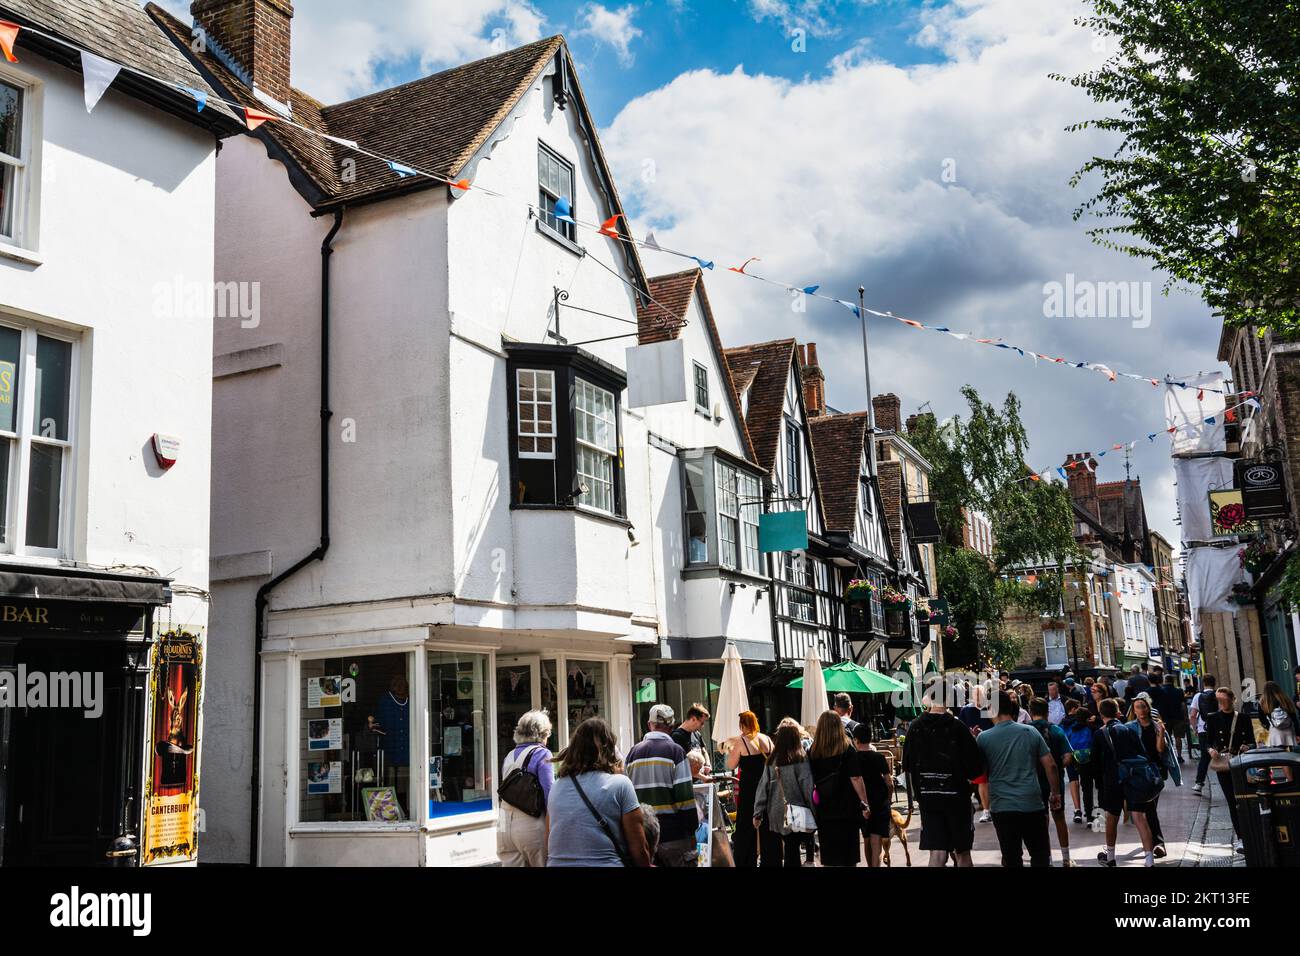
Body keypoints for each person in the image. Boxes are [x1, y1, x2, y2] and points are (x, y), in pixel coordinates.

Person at [546, 717, 651, 867]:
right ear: (609, 749)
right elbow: (639, 848)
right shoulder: (620, 784)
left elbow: (549, 841)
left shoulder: (556, 787)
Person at [977, 691, 1060, 867]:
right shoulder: (1030, 731)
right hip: (1031, 802)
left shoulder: (983, 738)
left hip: (1002, 805)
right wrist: (1055, 793)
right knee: (1039, 854)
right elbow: (1050, 765)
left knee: (1011, 856)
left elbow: (979, 772)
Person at [904, 692, 985, 867]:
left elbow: (908, 766)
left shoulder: (915, 727)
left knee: (937, 853)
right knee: (962, 852)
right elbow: (975, 769)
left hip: (928, 799)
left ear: (929, 699)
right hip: (957, 799)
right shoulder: (958, 727)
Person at [624, 704, 698, 866]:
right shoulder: (676, 752)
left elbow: (626, 798)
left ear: (650, 725)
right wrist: (692, 830)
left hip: (642, 837)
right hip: (673, 837)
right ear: (671, 727)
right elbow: (685, 800)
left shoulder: (632, 754)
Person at [1092, 698, 1157, 867]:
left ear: (1101, 714)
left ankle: (1111, 857)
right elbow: (1142, 754)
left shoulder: (1100, 733)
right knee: (1140, 818)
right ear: (1118, 712)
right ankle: (1149, 860)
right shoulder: (1129, 730)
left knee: (1111, 818)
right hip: (1133, 777)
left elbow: (1095, 761)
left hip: (1112, 780)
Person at [808, 710, 872, 867]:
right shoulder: (847, 749)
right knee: (848, 858)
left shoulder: (813, 752)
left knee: (830, 858)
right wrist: (864, 801)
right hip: (847, 809)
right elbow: (856, 778)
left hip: (824, 809)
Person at [751, 722, 816, 868]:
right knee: (794, 848)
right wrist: (814, 810)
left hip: (778, 812)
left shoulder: (771, 760)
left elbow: (763, 788)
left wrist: (758, 813)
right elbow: (808, 787)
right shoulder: (801, 758)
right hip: (799, 810)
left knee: (790, 847)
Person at [497, 710, 554, 867]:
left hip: (503, 822)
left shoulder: (509, 755)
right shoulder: (542, 753)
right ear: (542, 734)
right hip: (530, 823)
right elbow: (550, 795)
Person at [1203, 687, 1254, 848]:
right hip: (1223, 764)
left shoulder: (1243, 718)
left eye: (1225, 700)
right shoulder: (1213, 718)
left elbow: (1252, 740)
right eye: (1219, 701)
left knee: (1245, 799)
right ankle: (1241, 838)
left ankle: (1251, 832)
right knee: (1232, 801)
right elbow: (1207, 741)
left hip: (1241, 762)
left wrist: (1248, 746)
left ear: (1232, 699)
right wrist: (1210, 749)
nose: (1222, 704)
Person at [1028, 697, 1075, 866]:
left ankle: (1046, 858)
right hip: (1055, 781)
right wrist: (1058, 766)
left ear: (1030, 711)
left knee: (1042, 820)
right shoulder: (1057, 730)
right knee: (1060, 817)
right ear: (1047, 712)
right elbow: (1069, 756)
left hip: (1034, 781)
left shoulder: (1026, 731)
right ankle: (1066, 858)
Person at [725, 711, 774, 867]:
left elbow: (731, 765)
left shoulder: (741, 742)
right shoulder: (767, 739)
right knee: (768, 826)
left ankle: (746, 862)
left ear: (742, 725)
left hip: (750, 790)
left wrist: (729, 748)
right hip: (768, 786)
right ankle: (770, 861)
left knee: (746, 826)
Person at [1126, 694, 1170, 858]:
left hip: (1154, 771)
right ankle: (1153, 843)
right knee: (1145, 809)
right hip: (1137, 771)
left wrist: (1161, 733)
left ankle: (1157, 843)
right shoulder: (1129, 727)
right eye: (1138, 707)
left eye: (1144, 706)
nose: (1142, 710)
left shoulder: (1156, 726)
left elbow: (1160, 750)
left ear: (1148, 708)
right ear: (1134, 711)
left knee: (1150, 807)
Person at [851, 723, 893, 867]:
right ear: (870, 738)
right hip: (880, 803)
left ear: (855, 740)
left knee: (866, 838)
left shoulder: (853, 759)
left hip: (862, 804)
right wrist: (889, 800)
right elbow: (889, 782)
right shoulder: (879, 757)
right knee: (876, 842)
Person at [1061, 698, 1097, 825]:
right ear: (1074, 708)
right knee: (1087, 785)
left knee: (1073, 780)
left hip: (1070, 754)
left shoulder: (1063, 723)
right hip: (1086, 756)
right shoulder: (1085, 722)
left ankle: (1077, 810)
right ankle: (1089, 814)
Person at [1189, 675, 1218, 793]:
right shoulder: (1219, 694)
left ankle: (1199, 783)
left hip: (1203, 729)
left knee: (1204, 757)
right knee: (1224, 752)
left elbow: (1192, 715)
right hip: (1218, 728)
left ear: (1203, 683)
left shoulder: (1198, 696)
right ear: (1214, 683)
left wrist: (1195, 728)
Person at [1152, 675, 1188, 762]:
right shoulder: (1179, 691)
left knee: (1166, 737)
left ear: (1165, 680)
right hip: (1177, 716)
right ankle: (1179, 756)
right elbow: (1183, 705)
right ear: (1173, 681)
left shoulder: (1161, 691)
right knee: (1178, 737)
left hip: (1164, 717)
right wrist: (1185, 716)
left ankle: (1170, 756)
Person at [1258, 681, 1298, 747]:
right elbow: (1293, 717)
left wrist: (1270, 726)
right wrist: (1297, 732)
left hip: (1275, 731)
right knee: (1290, 754)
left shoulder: (1263, 702)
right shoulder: (1285, 699)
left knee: (1278, 754)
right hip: (1288, 729)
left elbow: (1262, 718)